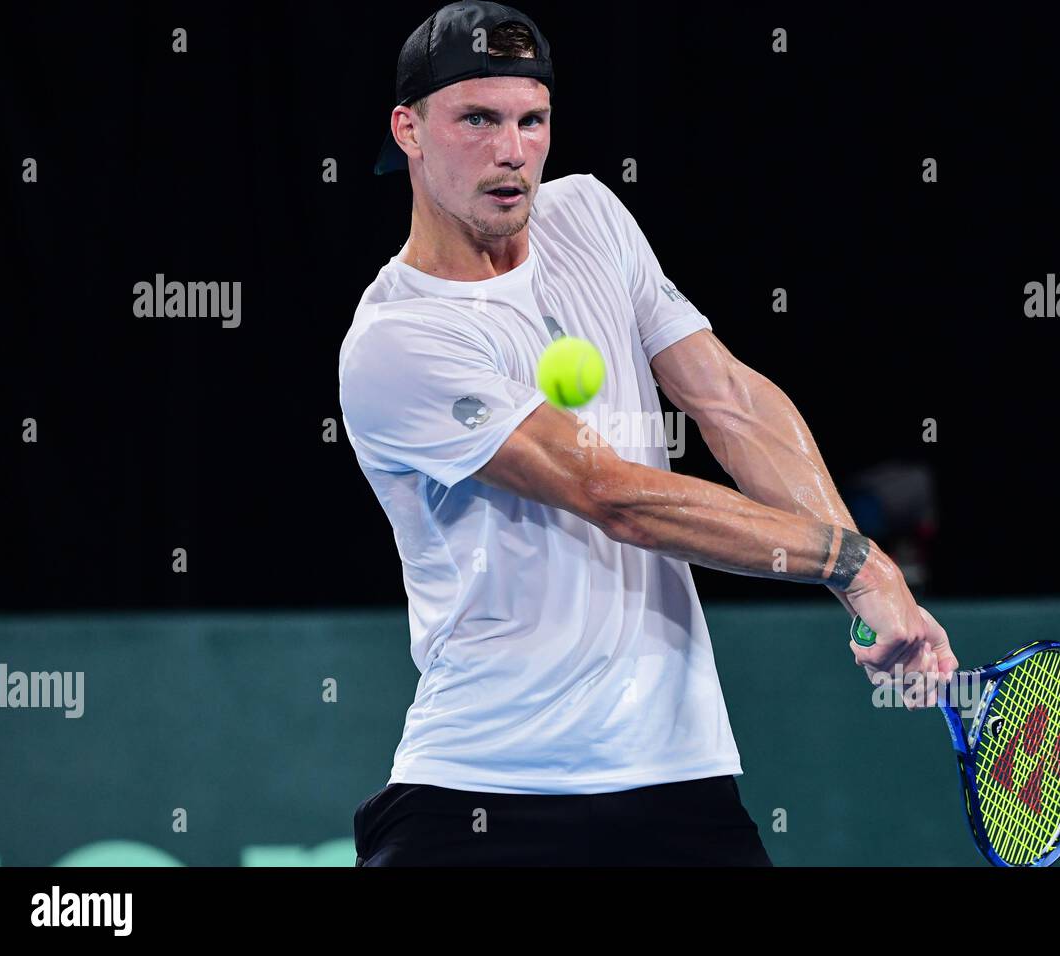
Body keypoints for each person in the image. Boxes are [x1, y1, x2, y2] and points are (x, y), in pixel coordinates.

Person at [340, 1, 957, 867]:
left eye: (531, 120)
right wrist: (857, 562)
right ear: (407, 129)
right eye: (476, 119)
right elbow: (615, 496)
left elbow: (730, 401)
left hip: (679, 782)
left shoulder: (589, 215)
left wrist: (864, 587)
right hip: (483, 796)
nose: (510, 150)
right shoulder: (397, 340)